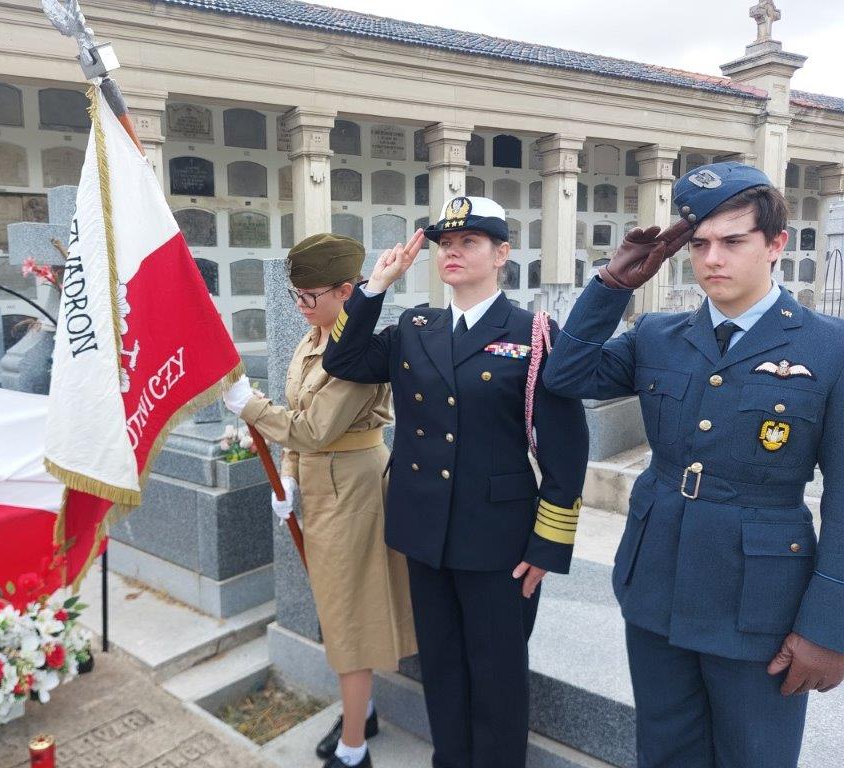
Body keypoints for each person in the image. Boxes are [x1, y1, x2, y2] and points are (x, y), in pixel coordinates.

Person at [543, 161, 844, 767]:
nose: (712, 259)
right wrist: (611, 285)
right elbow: (565, 375)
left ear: (776, 244)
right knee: (664, 751)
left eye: (733, 241)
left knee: (754, 756)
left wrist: (828, 627)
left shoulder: (828, 346)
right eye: (699, 244)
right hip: (656, 583)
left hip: (760, 603)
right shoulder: (658, 334)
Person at [322, 197, 589, 768]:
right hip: (424, 531)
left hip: (499, 540)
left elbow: (566, 450)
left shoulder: (534, 333)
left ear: (502, 254)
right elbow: (342, 361)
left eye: (470, 242)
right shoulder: (416, 326)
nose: (453, 252)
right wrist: (376, 286)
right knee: (441, 668)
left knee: (497, 676)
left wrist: (548, 543)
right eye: (445, 244)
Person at [223, 233, 417, 768]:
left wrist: (249, 406)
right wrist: (288, 478)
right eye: (297, 295)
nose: (301, 306)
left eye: (310, 296)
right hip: (321, 481)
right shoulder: (313, 338)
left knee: (348, 616)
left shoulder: (357, 354)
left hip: (353, 489)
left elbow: (312, 429)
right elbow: (298, 418)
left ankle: (355, 748)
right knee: (337, 608)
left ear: (346, 292)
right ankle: (362, 711)